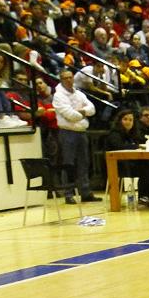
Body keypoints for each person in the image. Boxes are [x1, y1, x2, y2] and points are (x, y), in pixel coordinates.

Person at [52, 67, 97, 204]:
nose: (69, 80)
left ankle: (85, 192)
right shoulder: (58, 96)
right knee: (68, 164)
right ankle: (68, 193)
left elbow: (92, 109)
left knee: (84, 163)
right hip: (67, 132)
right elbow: (70, 115)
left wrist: (81, 112)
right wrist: (83, 113)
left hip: (81, 132)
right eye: (65, 78)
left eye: (70, 77)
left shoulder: (79, 94)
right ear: (61, 80)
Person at [104, 108, 149, 205]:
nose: (128, 122)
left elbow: (143, 142)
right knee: (147, 167)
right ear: (120, 121)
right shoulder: (114, 133)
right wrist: (137, 146)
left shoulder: (133, 134)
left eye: (130, 120)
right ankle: (143, 196)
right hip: (118, 166)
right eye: (125, 119)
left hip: (131, 163)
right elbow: (119, 147)